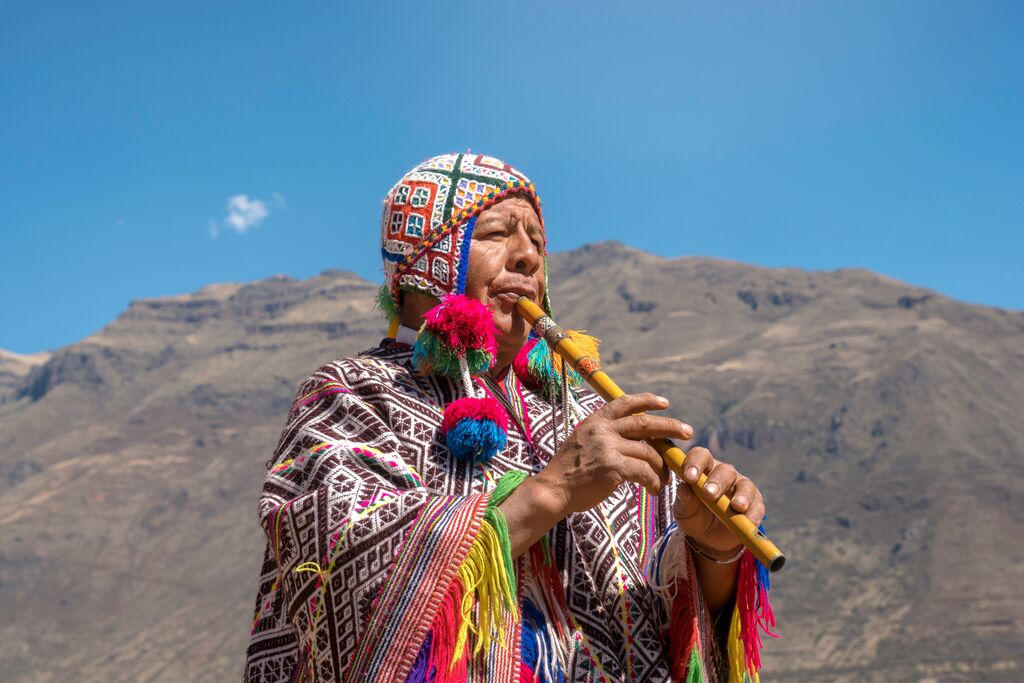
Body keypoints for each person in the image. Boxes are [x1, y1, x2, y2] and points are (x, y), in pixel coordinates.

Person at [243, 153, 776, 683]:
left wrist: (714, 550)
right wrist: (551, 492)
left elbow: (653, 610)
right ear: (428, 258)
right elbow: (341, 587)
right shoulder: (351, 396)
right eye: (497, 233)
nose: (528, 257)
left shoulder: (583, 415)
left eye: (538, 243)